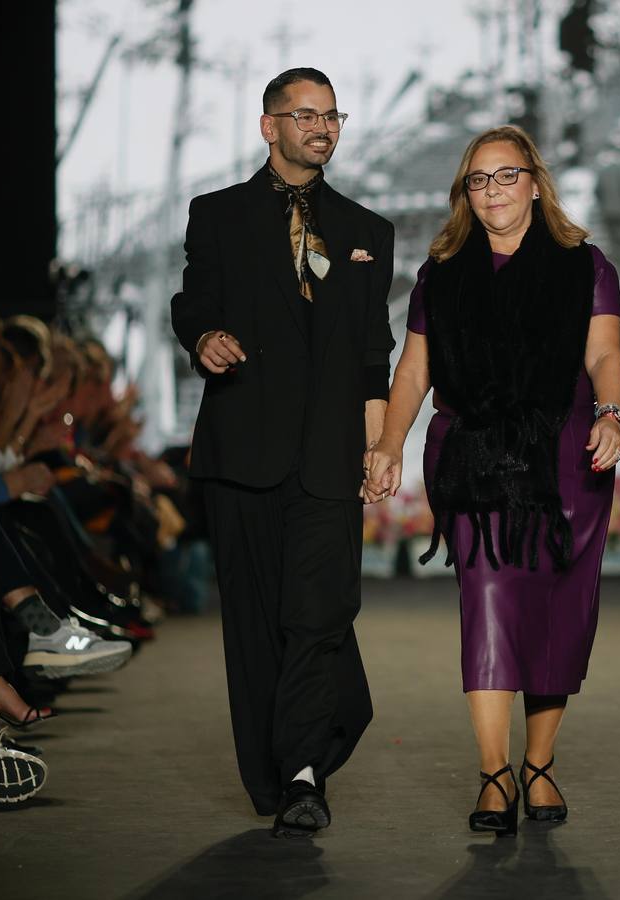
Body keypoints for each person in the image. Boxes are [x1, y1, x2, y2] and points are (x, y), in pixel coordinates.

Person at [367, 126, 620, 836]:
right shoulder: (441, 273)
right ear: (465, 193)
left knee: (556, 609)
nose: (492, 191)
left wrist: (611, 415)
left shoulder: (585, 265)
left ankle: (538, 764)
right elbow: (414, 371)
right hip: (473, 452)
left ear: (535, 184)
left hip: (568, 450)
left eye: (506, 176)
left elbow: (604, 354)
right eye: (478, 180)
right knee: (486, 598)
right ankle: (494, 773)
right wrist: (389, 444)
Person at [171, 67, 395, 837]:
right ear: (269, 126)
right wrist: (204, 337)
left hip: (330, 456)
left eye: (332, 116)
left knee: (317, 611)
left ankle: (302, 773)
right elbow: (193, 299)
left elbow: (374, 353)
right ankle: (277, 768)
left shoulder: (369, 231)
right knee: (258, 621)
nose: (322, 128)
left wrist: (380, 446)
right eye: (305, 116)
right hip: (242, 450)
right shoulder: (219, 215)